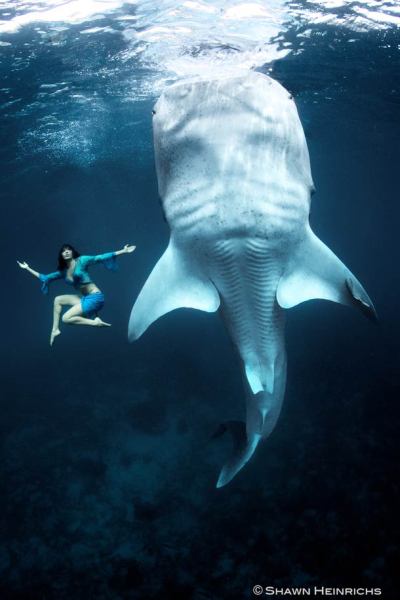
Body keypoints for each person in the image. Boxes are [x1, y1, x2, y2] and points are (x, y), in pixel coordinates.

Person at [17, 243, 136, 346]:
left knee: (66, 318)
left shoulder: (82, 260)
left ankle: (95, 323)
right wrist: (27, 268)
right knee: (58, 300)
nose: (66, 252)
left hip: (95, 298)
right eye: (63, 251)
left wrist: (123, 251)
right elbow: (45, 278)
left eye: (68, 249)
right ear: (61, 255)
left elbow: (99, 258)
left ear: (72, 252)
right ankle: (55, 330)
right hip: (85, 298)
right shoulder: (63, 272)